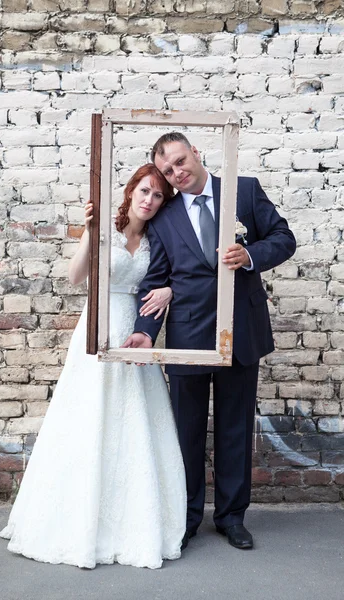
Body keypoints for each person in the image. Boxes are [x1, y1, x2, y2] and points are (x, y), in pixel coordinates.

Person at [0, 164, 186, 569]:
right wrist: (88, 231)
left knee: (136, 420)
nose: (149, 200)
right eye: (144, 191)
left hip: (136, 330)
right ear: (131, 190)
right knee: (88, 418)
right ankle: (79, 522)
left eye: (158, 195)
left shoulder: (160, 238)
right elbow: (74, 277)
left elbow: (170, 278)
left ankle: (137, 522)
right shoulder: (105, 228)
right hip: (97, 326)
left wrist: (168, 293)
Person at [123, 133, 296, 551]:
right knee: (186, 433)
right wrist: (146, 330)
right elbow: (157, 279)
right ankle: (184, 518)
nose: (177, 173)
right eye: (168, 171)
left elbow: (284, 238)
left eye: (181, 162)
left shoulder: (246, 190)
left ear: (196, 153)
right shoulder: (163, 216)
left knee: (235, 429)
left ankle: (231, 518)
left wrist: (250, 255)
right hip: (186, 334)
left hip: (242, 331)